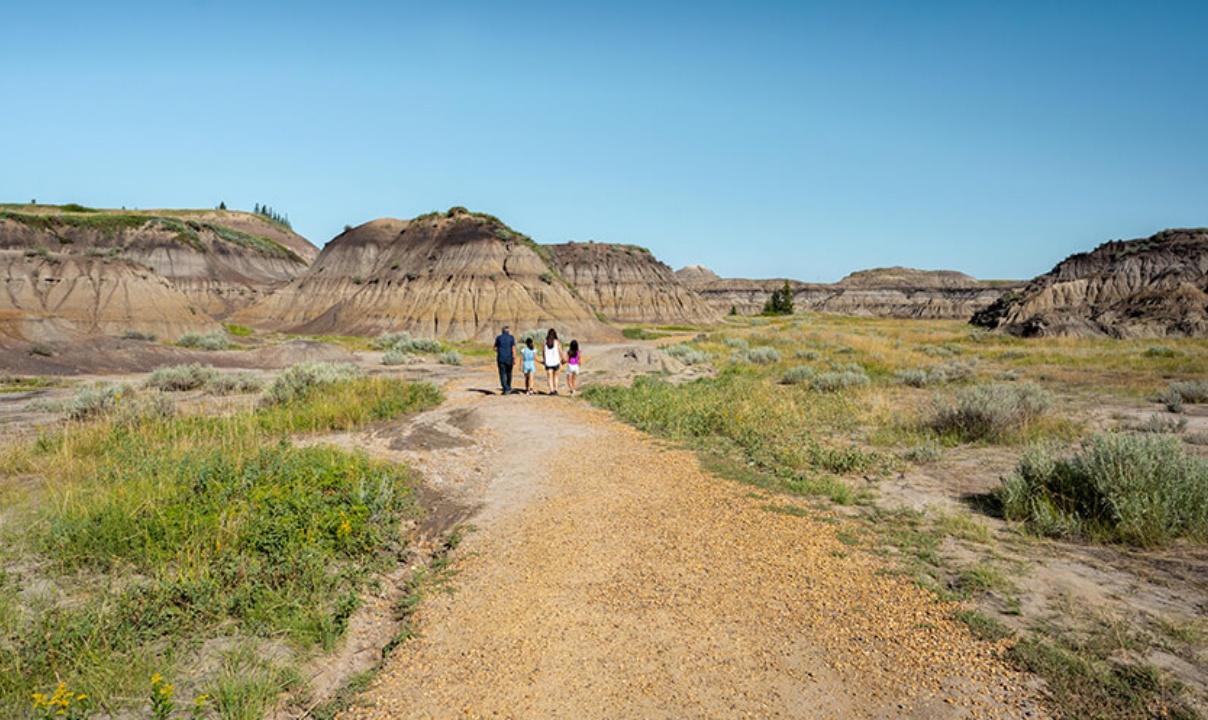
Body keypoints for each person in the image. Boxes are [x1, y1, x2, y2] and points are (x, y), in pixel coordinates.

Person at [493, 325, 516, 395]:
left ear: (502, 331)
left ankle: (506, 388)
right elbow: (513, 348)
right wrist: (514, 358)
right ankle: (508, 387)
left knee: (502, 374)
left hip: (501, 358)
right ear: (508, 331)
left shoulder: (498, 338)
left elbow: (494, 348)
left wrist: (499, 350)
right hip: (509, 358)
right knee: (509, 373)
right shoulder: (511, 338)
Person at [543, 328, 565, 395]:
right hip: (556, 362)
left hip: (548, 363)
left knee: (549, 377)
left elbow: (543, 352)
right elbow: (560, 351)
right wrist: (563, 359)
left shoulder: (545, 342)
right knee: (556, 377)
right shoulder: (557, 342)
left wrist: (544, 360)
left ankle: (551, 390)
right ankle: (556, 390)